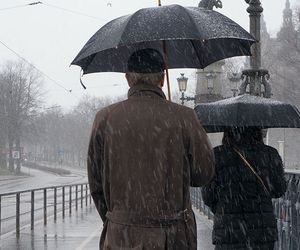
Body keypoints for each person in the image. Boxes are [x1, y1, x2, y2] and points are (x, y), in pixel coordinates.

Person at [87, 48, 215, 250]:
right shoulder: (184, 117)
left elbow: (96, 185)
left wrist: (117, 221)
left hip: (121, 237)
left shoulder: (105, 118)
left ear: (128, 79)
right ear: (162, 79)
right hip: (172, 237)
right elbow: (202, 174)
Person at [202, 127, 287, 250]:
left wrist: (223, 210)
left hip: (228, 231)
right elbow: (279, 190)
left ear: (227, 131)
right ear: (257, 130)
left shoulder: (217, 155)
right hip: (262, 232)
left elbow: (208, 196)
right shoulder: (270, 154)